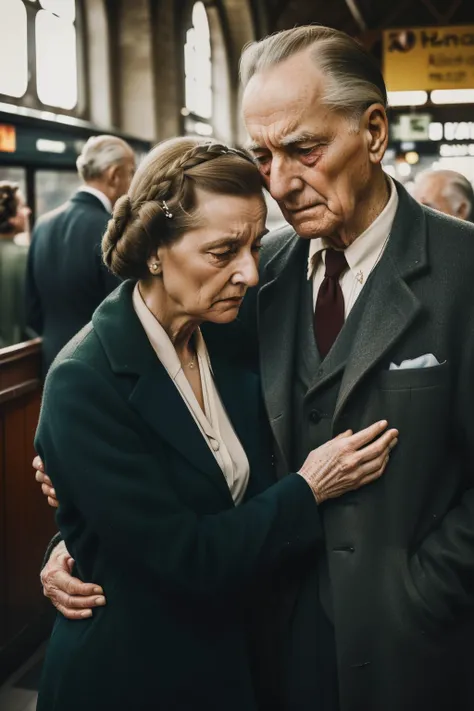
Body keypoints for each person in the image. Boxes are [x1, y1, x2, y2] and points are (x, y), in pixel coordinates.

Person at [35, 24, 474, 711]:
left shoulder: (463, 269)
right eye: (262, 154)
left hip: (407, 648)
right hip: (259, 643)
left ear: (376, 132)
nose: (279, 182)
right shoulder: (254, 269)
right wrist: (80, 534)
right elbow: (173, 429)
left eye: (303, 149)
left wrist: (422, 591)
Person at [34, 136, 397, 711]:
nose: (250, 273)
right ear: (155, 250)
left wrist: (79, 527)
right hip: (136, 677)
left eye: (254, 245)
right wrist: (310, 488)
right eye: (223, 251)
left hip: (242, 659)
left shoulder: (229, 331)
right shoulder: (84, 380)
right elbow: (186, 557)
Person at [25, 134, 136, 372]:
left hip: (52, 359)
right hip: (101, 363)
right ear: (114, 175)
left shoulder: (43, 224)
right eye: (131, 172)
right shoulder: (110, 229)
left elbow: (32, 309)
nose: (132, 182)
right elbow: (125, 307)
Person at [0, 181, 31, 347]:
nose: (28, 211)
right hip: (15, 351)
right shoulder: (23, 255)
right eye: (21, 207)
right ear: (10, 218)